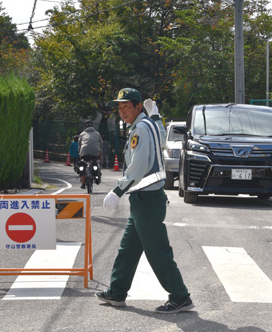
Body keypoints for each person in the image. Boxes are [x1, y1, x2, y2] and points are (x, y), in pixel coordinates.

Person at [96, 88, 194, 314]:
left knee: (158, 252)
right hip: (143, 200)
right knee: (128, 249)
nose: (122, 111)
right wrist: (157, 116)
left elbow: (138, 167)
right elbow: (162, 141)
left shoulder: (140, 128)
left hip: (147, 199)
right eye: (119, 108)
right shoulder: (148, 124)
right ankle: (117, 292)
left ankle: (181, 297)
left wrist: (117, 191)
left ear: (138, 106)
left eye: (126, 106)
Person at [78, 120, 102, 189]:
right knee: (96, 162)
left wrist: (80, 153)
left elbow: (79, 145)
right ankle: (97, 176)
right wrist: (100, 153)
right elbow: (100, 144)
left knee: (82, 167)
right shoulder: (97, 133)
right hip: (95, 151)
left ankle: (83, 183)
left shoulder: (82, 134)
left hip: (84, 151)